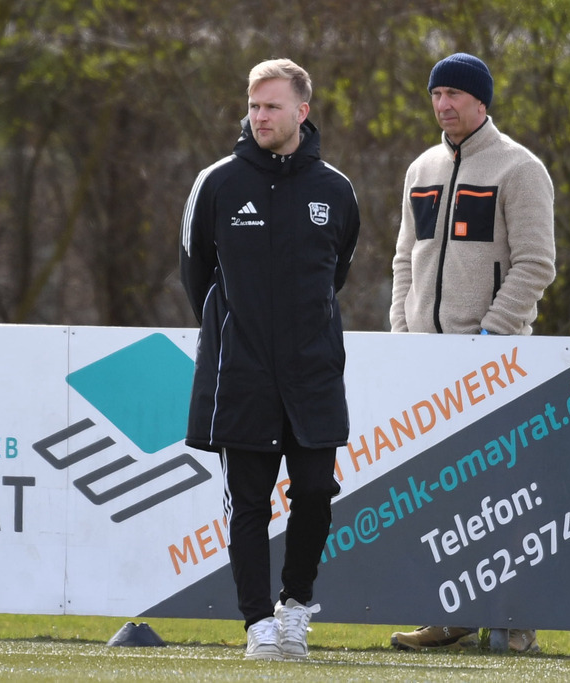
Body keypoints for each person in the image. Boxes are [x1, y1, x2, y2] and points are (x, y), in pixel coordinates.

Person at [180, 58, 360, 661]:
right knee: (249, 505)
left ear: (301, 112)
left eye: (272, 106)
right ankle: (258, 623)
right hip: (243, 375)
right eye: (253, 105)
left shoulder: (336, 190)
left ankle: (295, 606)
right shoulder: (216, 183)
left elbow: (336, 271)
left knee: (314, 492)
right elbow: (196, 277)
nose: (259, 116)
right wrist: (244, 331)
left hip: (312, 374)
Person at [388, 52, 556, 653]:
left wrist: (491, 337)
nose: (443, 104)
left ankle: (516, 621)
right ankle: (450, 617)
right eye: (437, 94)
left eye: (455, 94)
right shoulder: (422, 167)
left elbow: (536, 264)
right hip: (426, 359)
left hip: (495, 360)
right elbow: (405, 260)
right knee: (443, 500)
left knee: (504, 498)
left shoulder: (520, 168)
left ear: (482, 101)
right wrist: (402, 334)